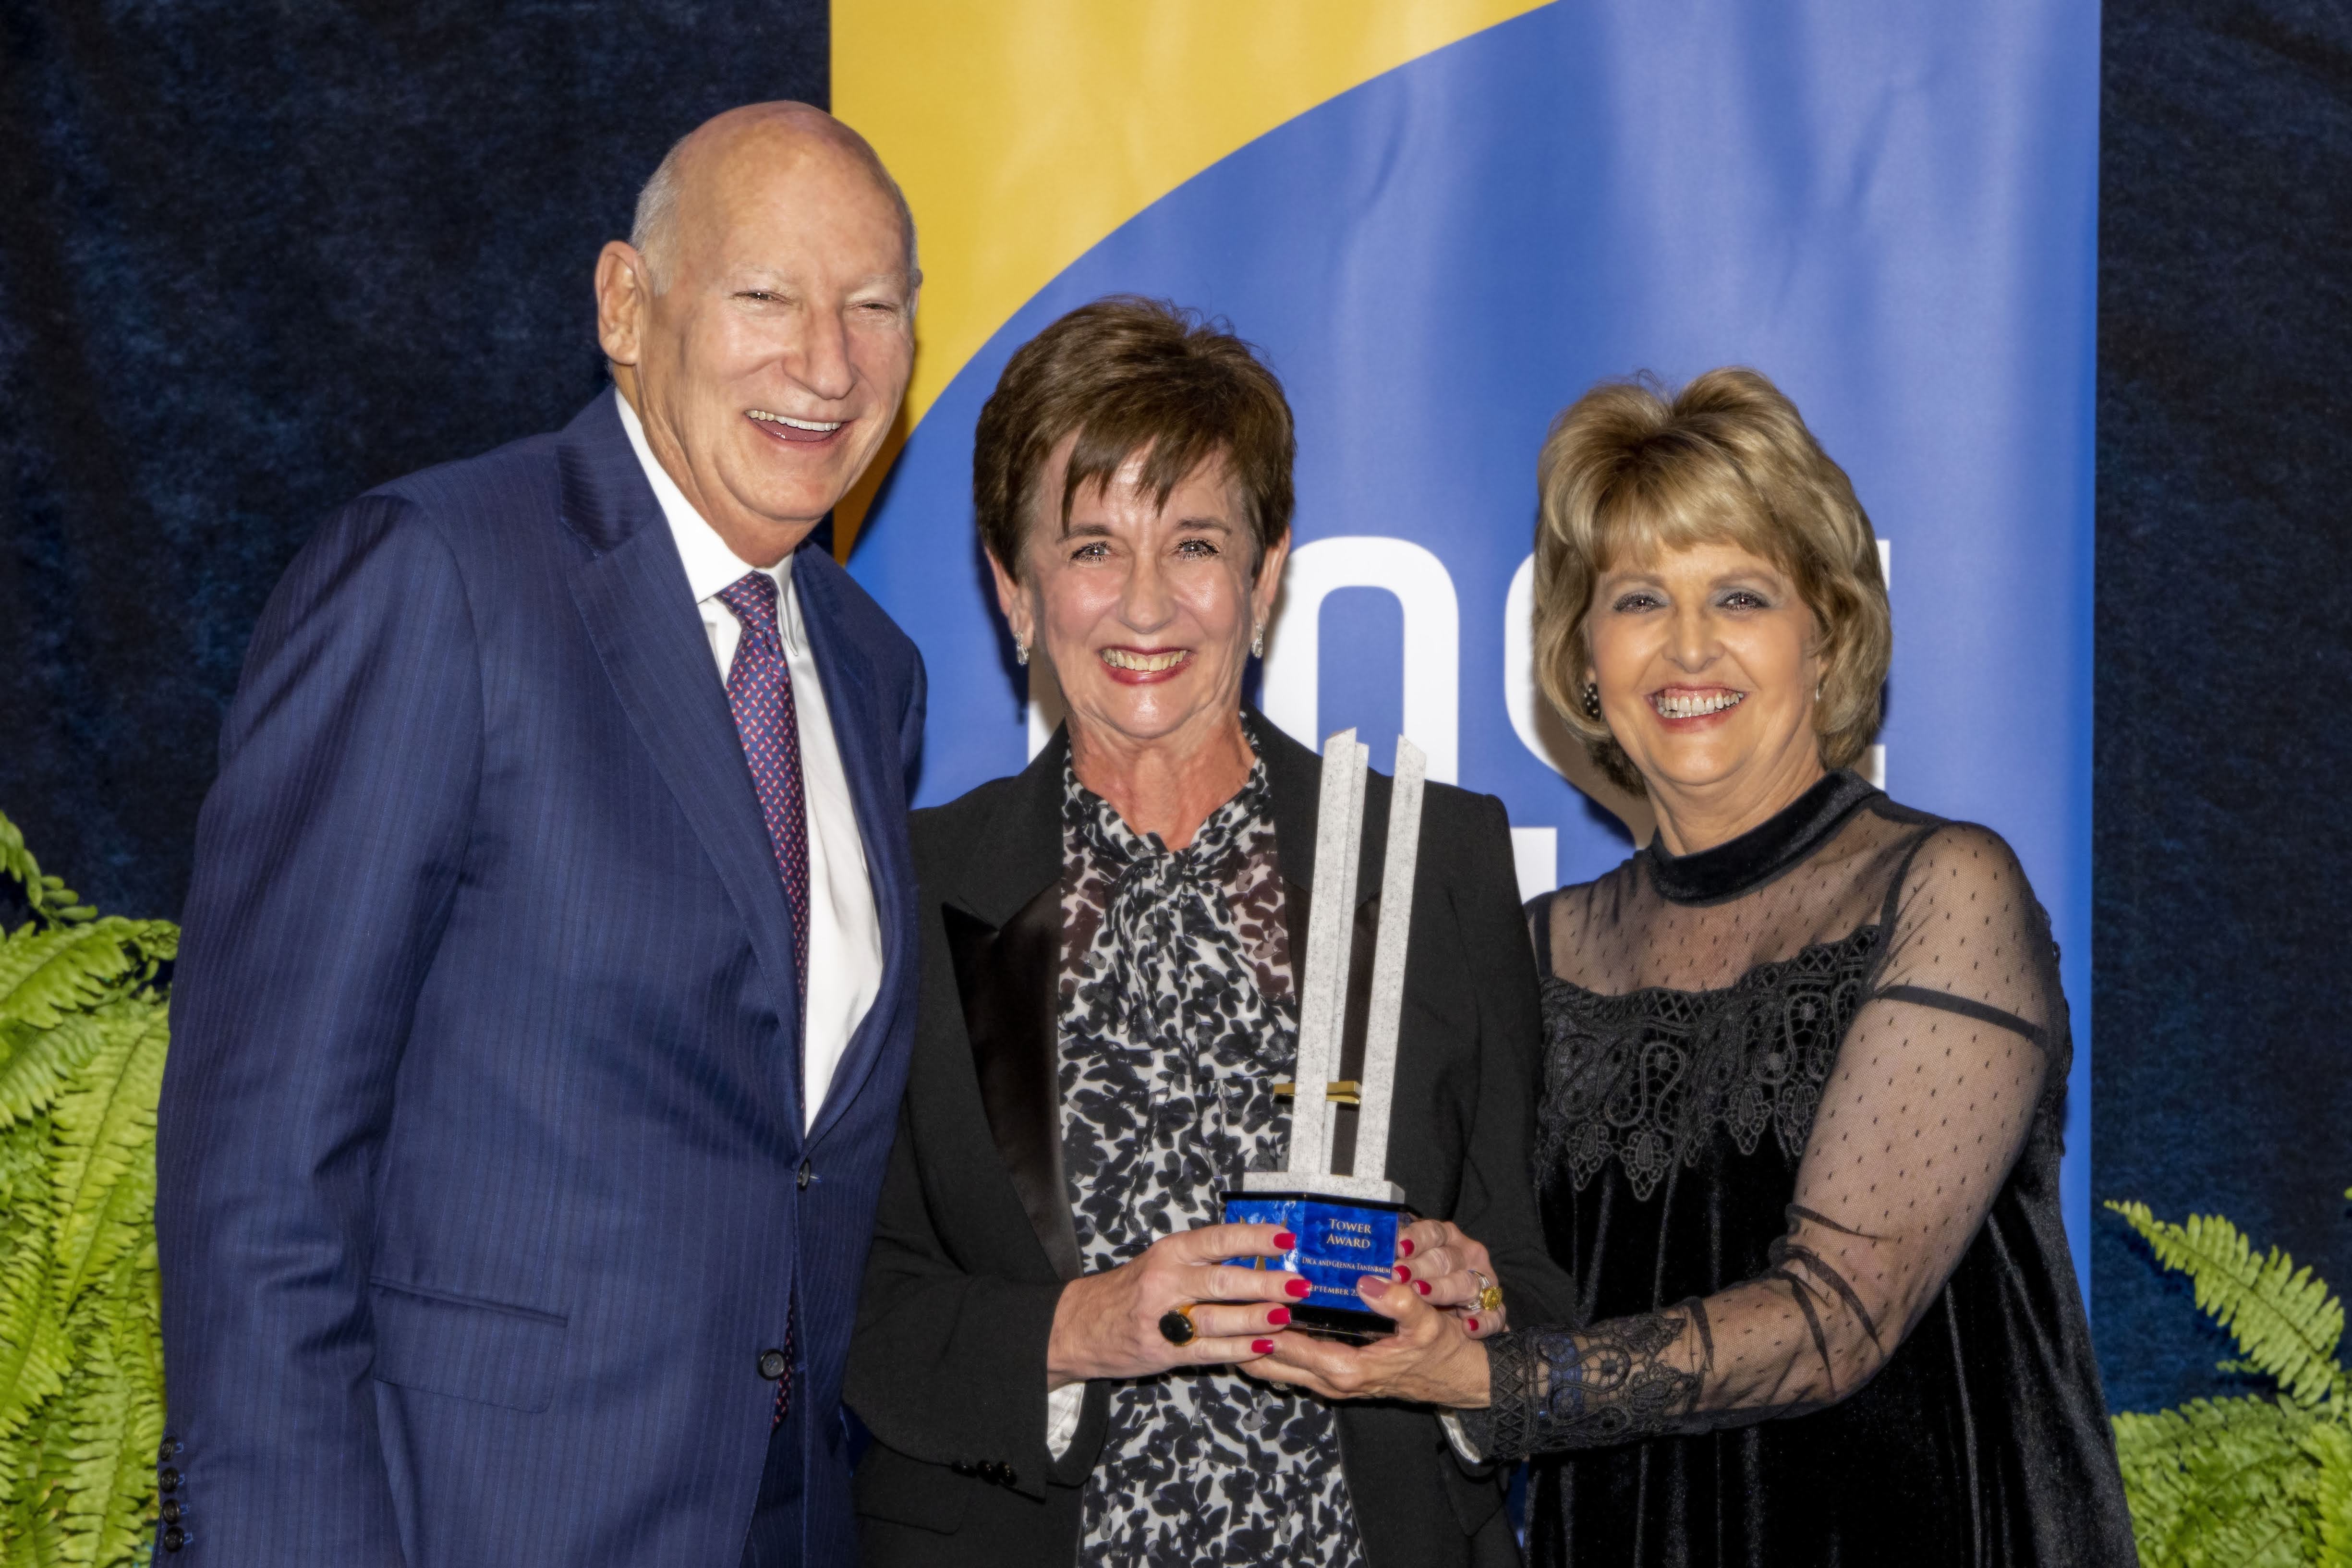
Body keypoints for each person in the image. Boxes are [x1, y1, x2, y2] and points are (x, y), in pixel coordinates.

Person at [154, 104, 925, 1567]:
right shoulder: (440, 578)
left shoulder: (874, 669)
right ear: (625, 306)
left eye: (873, 306)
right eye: (765, 294)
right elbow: (257, 1173)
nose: (827, 364)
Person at [1256, 368, 2137, 1566]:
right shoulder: (1539, 945)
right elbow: (1556, 1285)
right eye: (1636, 601)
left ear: (1826, 633)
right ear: (1583, 662)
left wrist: (1488, 1372)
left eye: (1738, 594)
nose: (1685, 647)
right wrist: (1462, 1289)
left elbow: (1837, 1317)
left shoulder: (1944, 888)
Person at [842, 297, 1573, 1567]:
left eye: (1191, 543)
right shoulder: (908, 885)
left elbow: (1528, 1284)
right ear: (1013, 591)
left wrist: (1471, 1319)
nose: (1144, 607)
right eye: (1088, 548)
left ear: (1265, 574)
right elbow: (852, 1305)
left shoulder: (1436, 860)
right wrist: (1087, 1324)